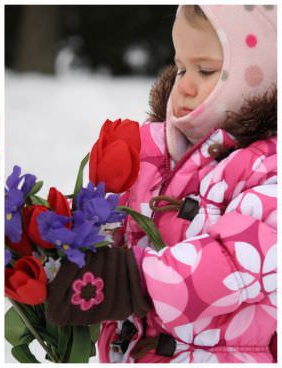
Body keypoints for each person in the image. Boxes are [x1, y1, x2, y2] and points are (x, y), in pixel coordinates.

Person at [46, 5, 276, 363]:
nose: (183, 84)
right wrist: (63, 249)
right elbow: (118, 224)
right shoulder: (156, 152)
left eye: (205, 70)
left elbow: (242, 257)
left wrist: (134, 280)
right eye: (181, 67)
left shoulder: (266, 167)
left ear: (261, 76)